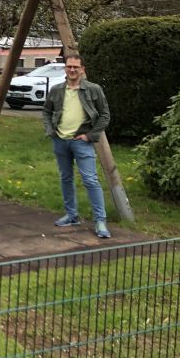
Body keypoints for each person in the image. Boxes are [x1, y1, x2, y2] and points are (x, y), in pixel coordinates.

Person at [42, 53, 112, 239]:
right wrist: (51, 132)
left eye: (75, 67)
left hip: (81, 142)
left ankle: (100, 220)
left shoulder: (93, 89)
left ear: (82, 70)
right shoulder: (57, 90)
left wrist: (90, 136)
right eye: (69, 67)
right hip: (60, 141)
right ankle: (72, 215)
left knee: (90, 180)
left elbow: (105, 115)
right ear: (65, 68)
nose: (72, 70)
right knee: (65, 178)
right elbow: (47, 112)